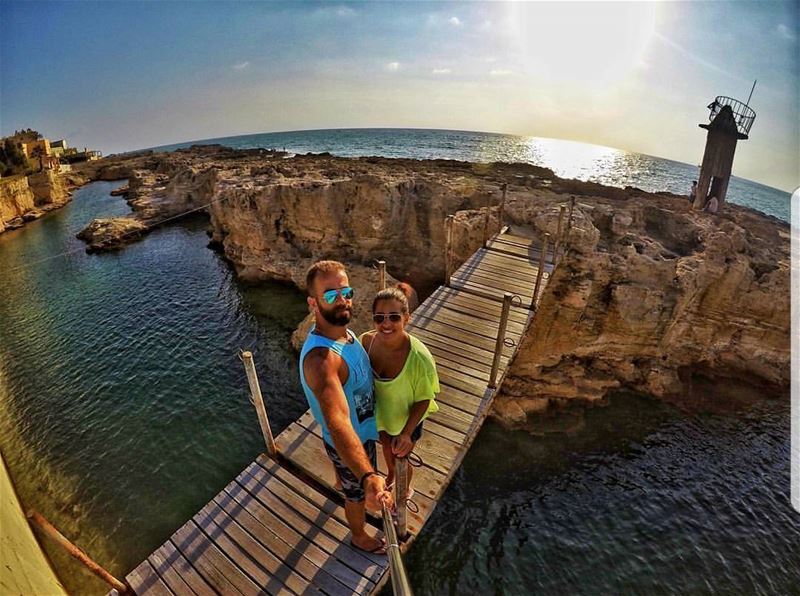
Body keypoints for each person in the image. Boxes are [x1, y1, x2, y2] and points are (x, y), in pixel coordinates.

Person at [299, 260, 392, 554]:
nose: (342, 300)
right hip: (352, 441)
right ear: (313, 303)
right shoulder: (322, 360)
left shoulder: (345, 334)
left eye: (346, 292)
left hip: (361, 432)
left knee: (345, 476)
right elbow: (338, 422)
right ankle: (358, 535)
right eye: (330, 295)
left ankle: (343, 476)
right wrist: (367, 476)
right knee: (354, 496)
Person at [359, 286, 440, 501]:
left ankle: (403, 492)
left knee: (401, 459)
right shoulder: (366, 342)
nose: (386, 324)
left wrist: (407, 433)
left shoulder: (419, 358)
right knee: (386, 449)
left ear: (407, 318)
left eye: (394, 317)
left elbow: (425, 398)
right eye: (380, 317)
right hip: (383, 415)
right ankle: (391, 476)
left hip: (407, 420)